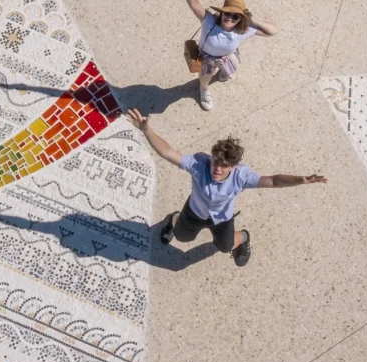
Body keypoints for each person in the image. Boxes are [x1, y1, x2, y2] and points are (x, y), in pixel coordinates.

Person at [126, 108, 327, 266]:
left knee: (225, 247)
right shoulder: (199, 164)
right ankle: (173, 218)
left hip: (222, 219)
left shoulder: (241, 176)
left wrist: (300, 180)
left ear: (233, 166)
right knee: (181, 236)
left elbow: (273, 181)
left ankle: (244, 237)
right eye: (215, 162)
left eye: (224, 165)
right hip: (194, 212)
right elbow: (168, 153)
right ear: (211, 158)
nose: (217, 168)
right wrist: (147, 130)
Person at [172, 0, 278, 111]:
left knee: (230, 69)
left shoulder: (243, 30)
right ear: (222, 13)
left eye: (235, 16)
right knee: (205, 78)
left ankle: (223, 74)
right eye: (227, 13)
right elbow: (195, 4)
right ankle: (203, 90)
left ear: (240, 19)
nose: (230, 18)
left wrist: (252, 20)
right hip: (207, 58)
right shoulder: (209, 21)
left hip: (228, 56)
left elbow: (273, 31)